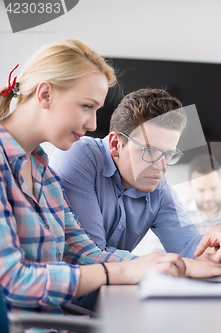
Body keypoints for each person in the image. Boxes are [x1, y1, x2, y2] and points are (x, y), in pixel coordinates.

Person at [0, 39, 186, 316]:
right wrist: (119, 271)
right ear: (46, 94)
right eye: (87, 106)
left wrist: (175, 264)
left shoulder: (45, 175)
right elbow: (13, 282)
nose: (93, 125)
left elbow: (83, 253)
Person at [49, 88, 221, 273]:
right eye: (150, 151)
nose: (162, 166)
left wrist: (217, 244)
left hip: (113, 299)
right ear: (115, 144)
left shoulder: (158, 188)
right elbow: (89, 256)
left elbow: (190, 249)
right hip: (65, 304)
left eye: (169, 154)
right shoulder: (78, 157)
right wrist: (167, 265)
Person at [137, 155, 221, 271]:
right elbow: (153, 256)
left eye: (213, 188)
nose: (208, 197)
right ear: (190, 185)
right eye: (201, 190)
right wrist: (188, 266)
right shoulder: (172, 214)